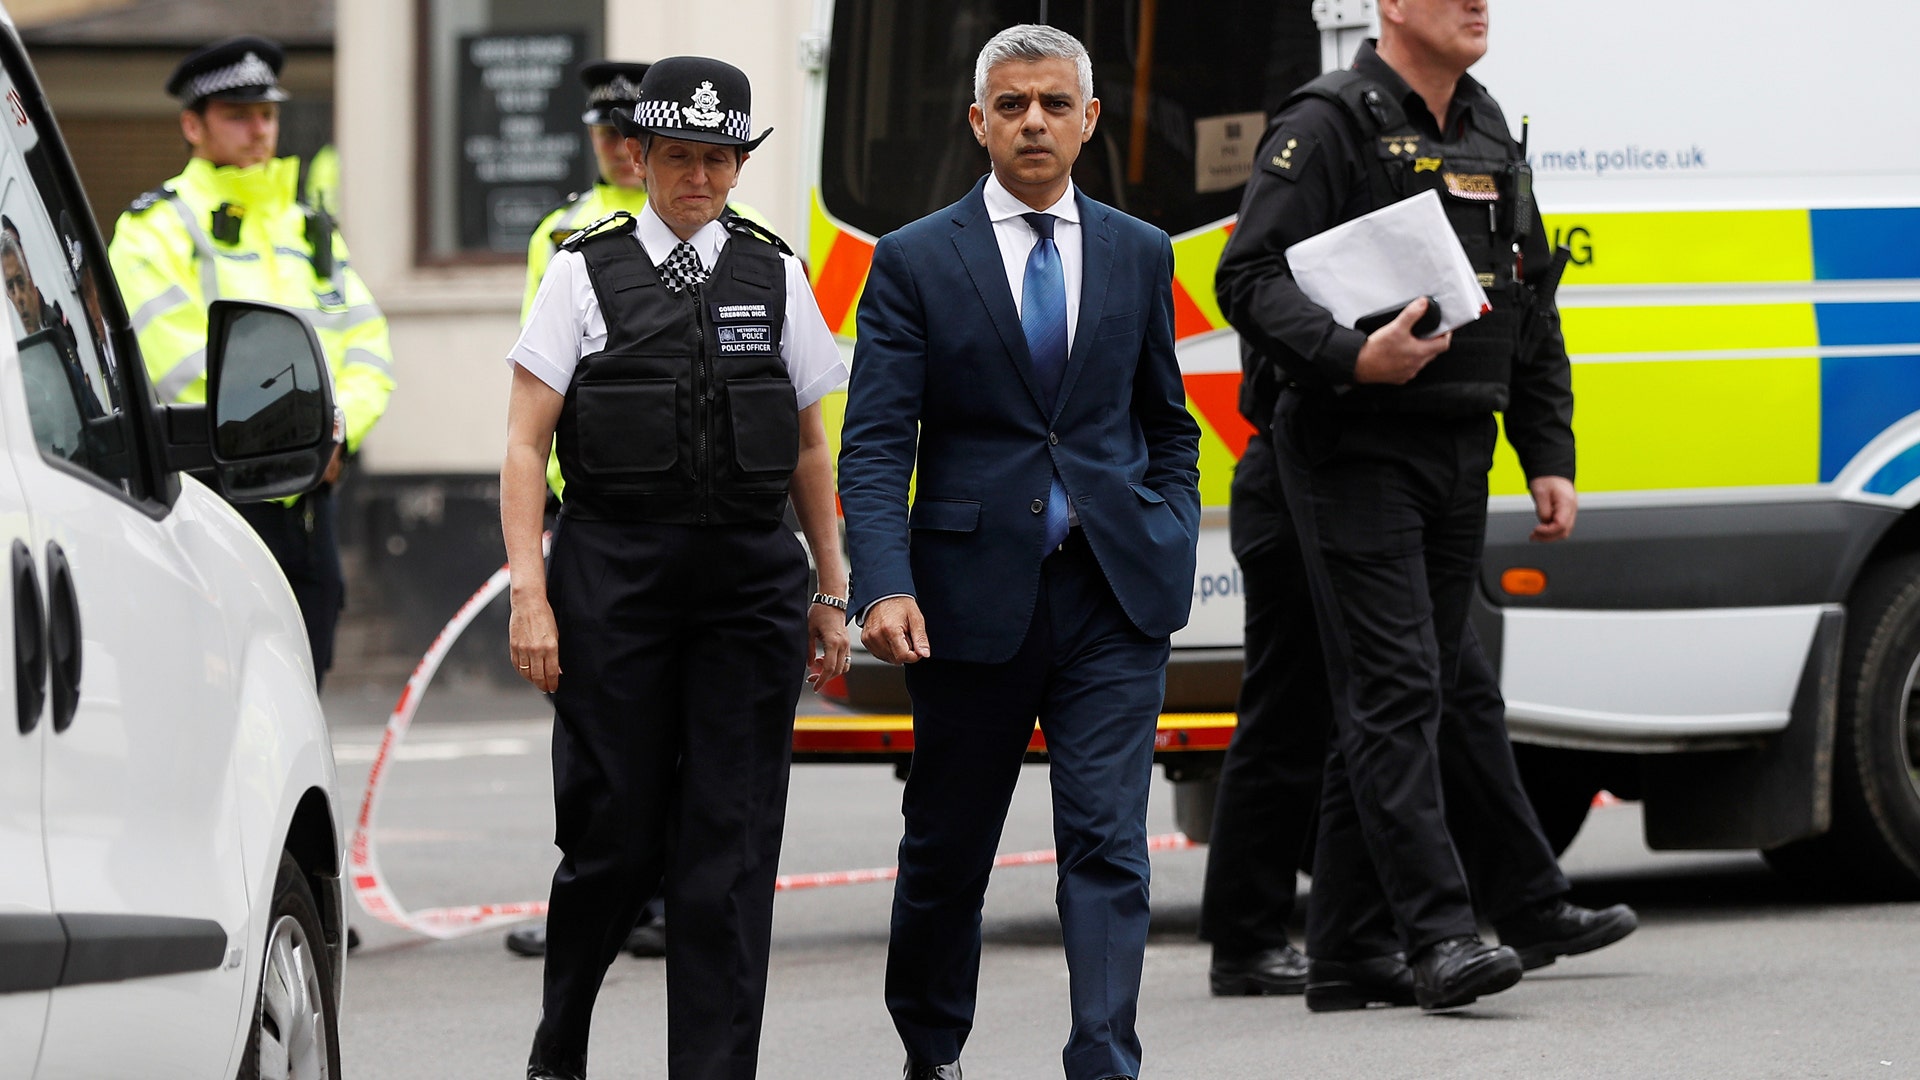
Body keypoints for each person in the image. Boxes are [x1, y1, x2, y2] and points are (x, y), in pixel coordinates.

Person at [1213, 0, 1631, 1012]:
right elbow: (1249, 277)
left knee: (1423, 690)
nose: (1478, 4)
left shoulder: (1487, 129)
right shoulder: (1327, 123)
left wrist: (1548, 452)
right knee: (1395, 689)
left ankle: (1351, 948)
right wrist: (1352, 354)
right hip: (1351, 445)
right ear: (1392, 5)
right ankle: (1440, 933)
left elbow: (1530, 302)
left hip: (1458, 446)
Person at [839, 25, 1200, 1080]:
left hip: (1113, 593)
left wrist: (1170, 529)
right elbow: (876, 443)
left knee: (1108, 842)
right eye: (1011, 105)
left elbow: (1168, 422)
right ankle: (932, 1050)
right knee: (948, 850)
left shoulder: (1140, 250)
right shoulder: (913, 259)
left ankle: (1103, 1058)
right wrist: (883, 583)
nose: (1033, 121)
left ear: (1089, 120)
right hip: (966, 602)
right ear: (979, 122)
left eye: (1053, 104)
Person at [503, 56, 850, 1080]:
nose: (700, 178)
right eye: (680, 157)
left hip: (748, 585)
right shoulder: (581, 271)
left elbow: (810, 446)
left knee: (731, 845)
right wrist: (530, 596)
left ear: (738, 167)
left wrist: (831, 587)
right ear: (641, 156)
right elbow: (523, 444)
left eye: (719, 160)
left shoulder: (774, 273)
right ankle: (561, 1043)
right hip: (615, 579)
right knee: (613, 834)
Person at [1199, 431, 1636, 1003]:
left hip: (1382, 489)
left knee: (1461, 698)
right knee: (1293, 716)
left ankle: (1519, 902)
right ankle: (1249, 939)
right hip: (1312, 484)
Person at [109, 35, 394, 689]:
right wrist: (294, 434)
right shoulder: (156, 228)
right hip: (217, 496)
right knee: (218, 693)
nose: (259, 129)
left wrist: (337, 430)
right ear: (193, 125)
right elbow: (176, 360)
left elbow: (367, 346)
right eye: (238, 115)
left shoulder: (309, 229)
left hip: (309, 494)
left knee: (302, 686)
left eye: (267, 113)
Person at [503, 57, 666, 964]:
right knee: (594, 723)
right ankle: (596, 899)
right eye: (605, 132)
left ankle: (663, 896)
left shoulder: (719, 229)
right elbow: (540, 380)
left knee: (674, 723)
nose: (617, 147)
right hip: (588, 509)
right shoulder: (561, 235)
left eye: (629, 132)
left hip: (685, 513)